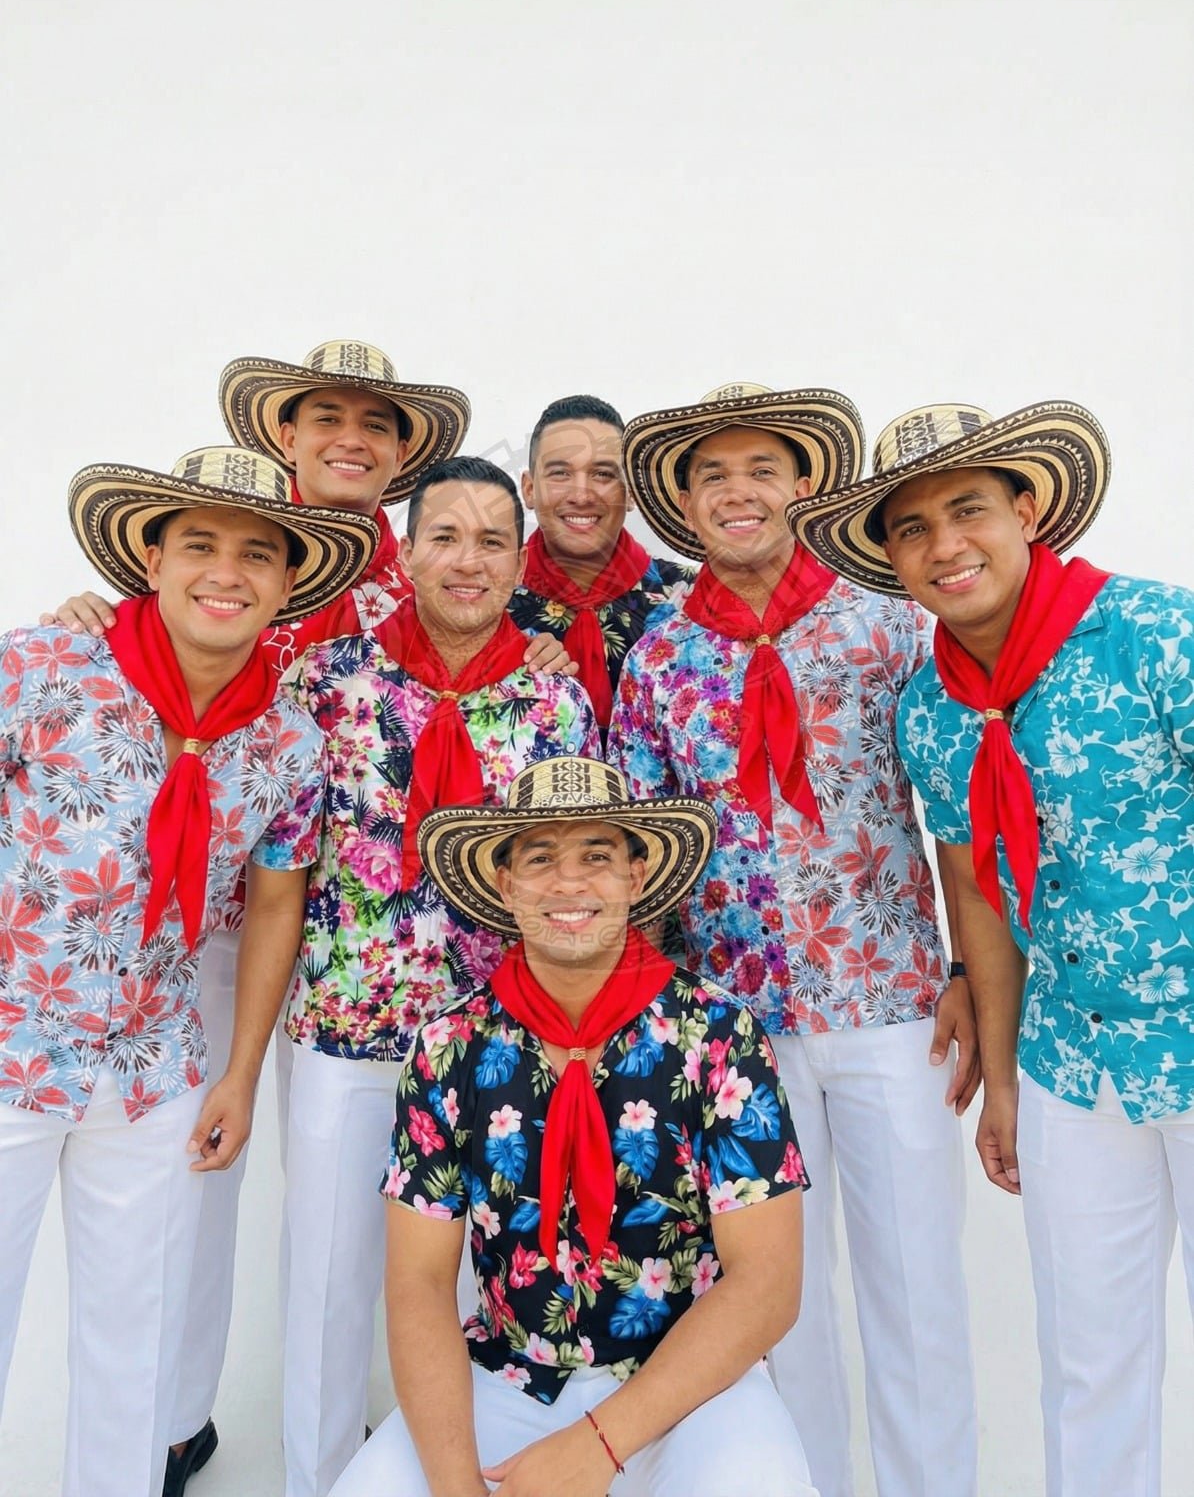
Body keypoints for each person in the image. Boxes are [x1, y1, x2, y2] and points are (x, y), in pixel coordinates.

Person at [42, 340, 569, 1493]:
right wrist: (87, 618)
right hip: (203, 931)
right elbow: (159, 660)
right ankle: (182, 1429)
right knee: (208, 1188)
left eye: (375, 422)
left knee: (446, 1238)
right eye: (327, 416)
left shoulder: (439, 608)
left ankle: (445, 1452)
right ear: (285, 433)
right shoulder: (234, 574)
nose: (350, 438)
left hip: (361, 946)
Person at [790, 400, 1191, 1497]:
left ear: (1027, 512)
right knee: (1089, 1366)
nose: (945, 545)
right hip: (1072, 1063)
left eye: (968, 510)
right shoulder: (933, 708)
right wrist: (1005, 1081)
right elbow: (975, 890)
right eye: (912, 529)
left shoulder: (1159, 633)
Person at [607, 383, 979, 1497]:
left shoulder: (888, 626)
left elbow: (961, 812)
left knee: (917, 1292)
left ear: (804, 483)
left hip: (892, 1006)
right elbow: (644, 862)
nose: (739, 493)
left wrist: (969, 966)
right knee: (779, 1310)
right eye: (712, 475)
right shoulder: (659, 660)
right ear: (684, 503)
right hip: (739, 1035)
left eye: (761, 468)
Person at [0, 446, 375, 1497]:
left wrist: (241, 1074)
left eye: (257, 554)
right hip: (10, 1045)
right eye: (199, 545)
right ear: (153, 560)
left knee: (135, 1347)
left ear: (288, 582)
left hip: (152, 1071)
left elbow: (276, 903)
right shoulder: (41, 668)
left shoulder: (288, 739)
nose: (226, 572)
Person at [328, 755, 819, 1497]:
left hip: (689, 1385)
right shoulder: (449, 1048)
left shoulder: (719, 1034)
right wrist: (458, 1489)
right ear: (504, 883)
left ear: (637, 876)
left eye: (597, 856)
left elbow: (768, 1284)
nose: (569, 883)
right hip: (507, 1376)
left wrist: (598, 1445)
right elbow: (419, 1285)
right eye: (539, 858)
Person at [271, 456, 602, 1497]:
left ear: (520, 558)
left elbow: (578, 883)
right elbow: (279, 869)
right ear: (407, 552)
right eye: (445, 537)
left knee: (486, 1297)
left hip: (494, 1049)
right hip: (347, 1035)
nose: (468, 559)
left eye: (492, 540)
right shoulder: (329, 684)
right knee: (326, 1284)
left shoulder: (553, 701)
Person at [510, 393, 693, 733]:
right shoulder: (486, 601)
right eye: (560, 473)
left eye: (603, 474)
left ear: (631, 492)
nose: (581, 495)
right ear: (529, 489)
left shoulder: (691, 599)